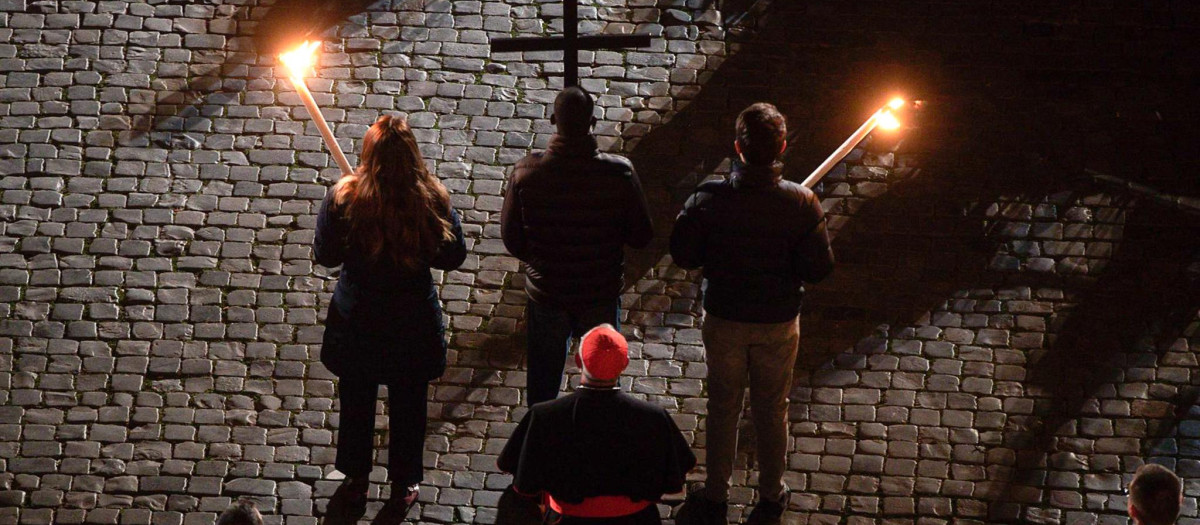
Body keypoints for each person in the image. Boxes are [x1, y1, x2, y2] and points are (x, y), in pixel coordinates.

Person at [670, 102, 834, 525]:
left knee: (723, 405)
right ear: (781, 146)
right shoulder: (802, 203)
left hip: (725, 316)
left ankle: (716, 492)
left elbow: (683, 255)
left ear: (737, 148)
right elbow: (818, 268)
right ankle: (770, 493)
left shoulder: (709, 198)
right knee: (771, 407)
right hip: (777, 321)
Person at [314, 115, 467, 517]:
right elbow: (454, 256)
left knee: (357, 399)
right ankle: (403, 482)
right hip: (410, 320)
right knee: (409, 402)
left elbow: (324, 255)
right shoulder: (432, 200)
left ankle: (355, 478)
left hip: (359, 319)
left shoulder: (345, 199)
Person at [501, 86, 654, 406]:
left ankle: (540, 442)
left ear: (554, 120)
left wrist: (540, 260)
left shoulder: (526, 173)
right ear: (592, 122)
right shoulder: (620, 173)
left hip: (548, 292)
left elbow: (512, 239)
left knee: (542, 383)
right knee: (602, 382)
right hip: (599, 291)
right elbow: (641, 235)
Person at [498, 325, 696, 524]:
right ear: (624, 364)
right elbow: (674, 479)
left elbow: (523, 483)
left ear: (578, 361)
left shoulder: (543, 416)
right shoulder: (654, 418)